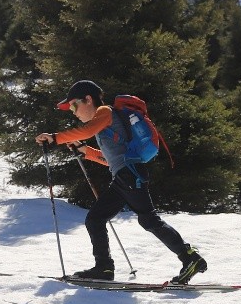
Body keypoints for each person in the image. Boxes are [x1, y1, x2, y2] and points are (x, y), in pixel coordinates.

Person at [35, 79, 207, 284]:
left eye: (73, 105)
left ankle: (190, 258)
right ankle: (104, 269)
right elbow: (110, 159)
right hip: (125, 176)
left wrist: (56, 138)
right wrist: (84, 151)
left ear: (88, 100)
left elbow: (87, 131)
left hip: (130, 175)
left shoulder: (104, 112)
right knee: (95, 219)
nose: (73, 111)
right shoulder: (105, 123)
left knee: (148, 220)